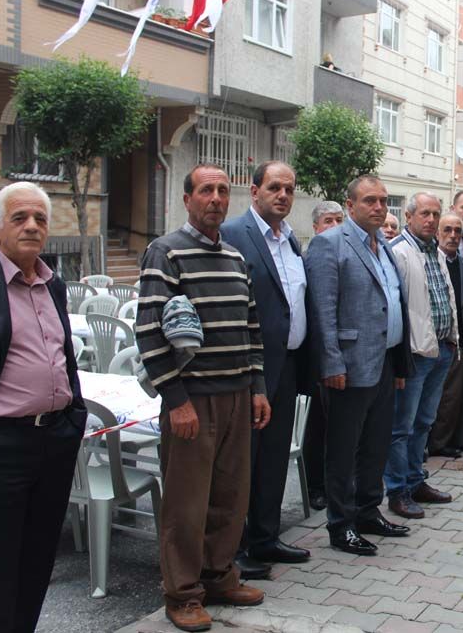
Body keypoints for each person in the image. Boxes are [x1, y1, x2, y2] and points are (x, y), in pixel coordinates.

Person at [0, 182, 87, 633]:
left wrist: (74, 419)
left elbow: (63, 357)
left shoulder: (54, 284)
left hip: (54, 443)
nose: (31, 226)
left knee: (34, 568)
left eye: (40, 219)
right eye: (20, 217)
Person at [137, 165, 271, 631]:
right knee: (186, 505)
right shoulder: (166, 252)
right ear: (187, 198)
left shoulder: (234, 257)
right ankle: (183, 594)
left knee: (230, 498)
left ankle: (219, 576)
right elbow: (149, 330)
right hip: (193, 400)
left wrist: (257, 387)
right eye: (206, 190)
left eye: (222, 190)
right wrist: (176, 399)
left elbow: (251, 328)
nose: (216, 198)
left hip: (237, 395)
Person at [304, 175, 412, 555]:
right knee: (343, 449)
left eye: (383, 200)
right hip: (348, 367)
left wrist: (399, 364)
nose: (379, 207)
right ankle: (341, 524)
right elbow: (322, 310)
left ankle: (368, 511)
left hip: (384, 360)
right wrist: (331, 362)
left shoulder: (383, 244)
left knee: (376, 444)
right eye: (370, 200)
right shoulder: (329, 243)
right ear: (350, 205)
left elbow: (391, 302)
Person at [219, 161, 311, 578]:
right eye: (274, 187)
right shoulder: (233, 235)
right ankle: (234, 548)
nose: (283, 195)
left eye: (289, 189)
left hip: (287, 366)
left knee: (274, 457)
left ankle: (266, 537)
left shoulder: (290, 239)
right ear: (254, 191)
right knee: (243, 461)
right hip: (250, 369)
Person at [386, 192, 459, 518]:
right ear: (409, 216)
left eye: (435, 214)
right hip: (414, 354)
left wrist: (453, 341)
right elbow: (395, 308)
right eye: (424, 214)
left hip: (441, 349)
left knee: (424, 423)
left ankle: (416, 481)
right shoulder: (398, 252)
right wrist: (400, 357)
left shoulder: (436, 252)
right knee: (401, 427)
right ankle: (397, 491)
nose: (431, 220)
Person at [303, 200, 345, 511]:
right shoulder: (313, 255)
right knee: (316, 425)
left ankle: (335, 484)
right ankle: (314, 486)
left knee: (338, 427)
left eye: (339, 220)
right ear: (316, 227)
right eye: (328, 221)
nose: (334, 227)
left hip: (343, 353)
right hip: (317, 355)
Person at [430, 213, 463, 460]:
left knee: (451, 398)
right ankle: (421, 444)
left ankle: (440, 443)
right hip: (429, 343)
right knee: (426, 398)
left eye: (457, 231)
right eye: (447, 230)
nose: (452, 236)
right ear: (437, 233)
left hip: (456, 344)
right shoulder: (429, 262)